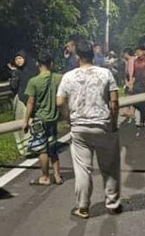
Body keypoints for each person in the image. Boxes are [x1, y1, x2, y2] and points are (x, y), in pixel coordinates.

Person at [56, 39, 122, 219]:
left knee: (83, 169)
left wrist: (67, 117)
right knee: (110, 167)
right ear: (93, 54)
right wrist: (114, 123)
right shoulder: (105, 73)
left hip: (79, 128)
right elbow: (114, 101)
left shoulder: (68, 76)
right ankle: (113, 203)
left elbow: (60, 101)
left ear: (77, 56)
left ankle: (83, 207)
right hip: (102, 124)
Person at [22, 51, 63, 186]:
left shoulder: (33, 82)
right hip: (53, 118)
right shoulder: (58, 78)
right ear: (51, 63)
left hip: (40, 119)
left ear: (37, 64)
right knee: (53, 148)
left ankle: (45, 176)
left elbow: (30, 102)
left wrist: (26, 121)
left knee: (42, 149)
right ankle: (57, 175)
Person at [8, 49, 37, 156]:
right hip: (28, 100)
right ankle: (31, 147)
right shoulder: (31, 70)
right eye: (16, 59)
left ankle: (28, 148)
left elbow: (13, 86)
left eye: (20, 58)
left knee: (24, 122)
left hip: (24, 100)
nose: (18, 61)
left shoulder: (20, 72)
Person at [131, 45, 145, 127]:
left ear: (144, 52)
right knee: (133, 101)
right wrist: (131, 82)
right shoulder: (136, 61)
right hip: (136, 82)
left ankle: (142, 121)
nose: (137, 52)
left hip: (144, 83)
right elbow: (134, 72)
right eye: (137, 50)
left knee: (143, 102)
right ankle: (144, 113)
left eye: (139, 50)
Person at [121, 48, 136, 122]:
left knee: (131, 96)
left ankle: (132, 112)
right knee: (127, 95)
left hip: (130, 81)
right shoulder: (128, 61)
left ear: (127, 53)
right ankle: (127, 111)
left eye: (124, 53)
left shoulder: (132, 61)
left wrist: (131, 83)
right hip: (128, 81)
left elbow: (132, 72)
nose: (123, 55)